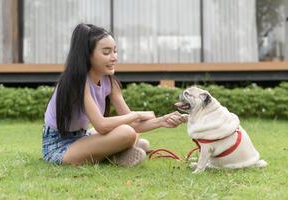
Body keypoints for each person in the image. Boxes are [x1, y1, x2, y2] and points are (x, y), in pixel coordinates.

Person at [42, 23, 185, 167]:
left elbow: (133, 125)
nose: (114, 57)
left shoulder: (109, 82)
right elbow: (101, 126)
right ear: (88, 55)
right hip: (58, 146)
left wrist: (162, 121)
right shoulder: (77, 81)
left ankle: (117, 154)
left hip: (81, 136)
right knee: (128, 133)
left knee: (134, 135)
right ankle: (116, 154)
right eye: (106, 52)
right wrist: (137, 115)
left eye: (115, 51)